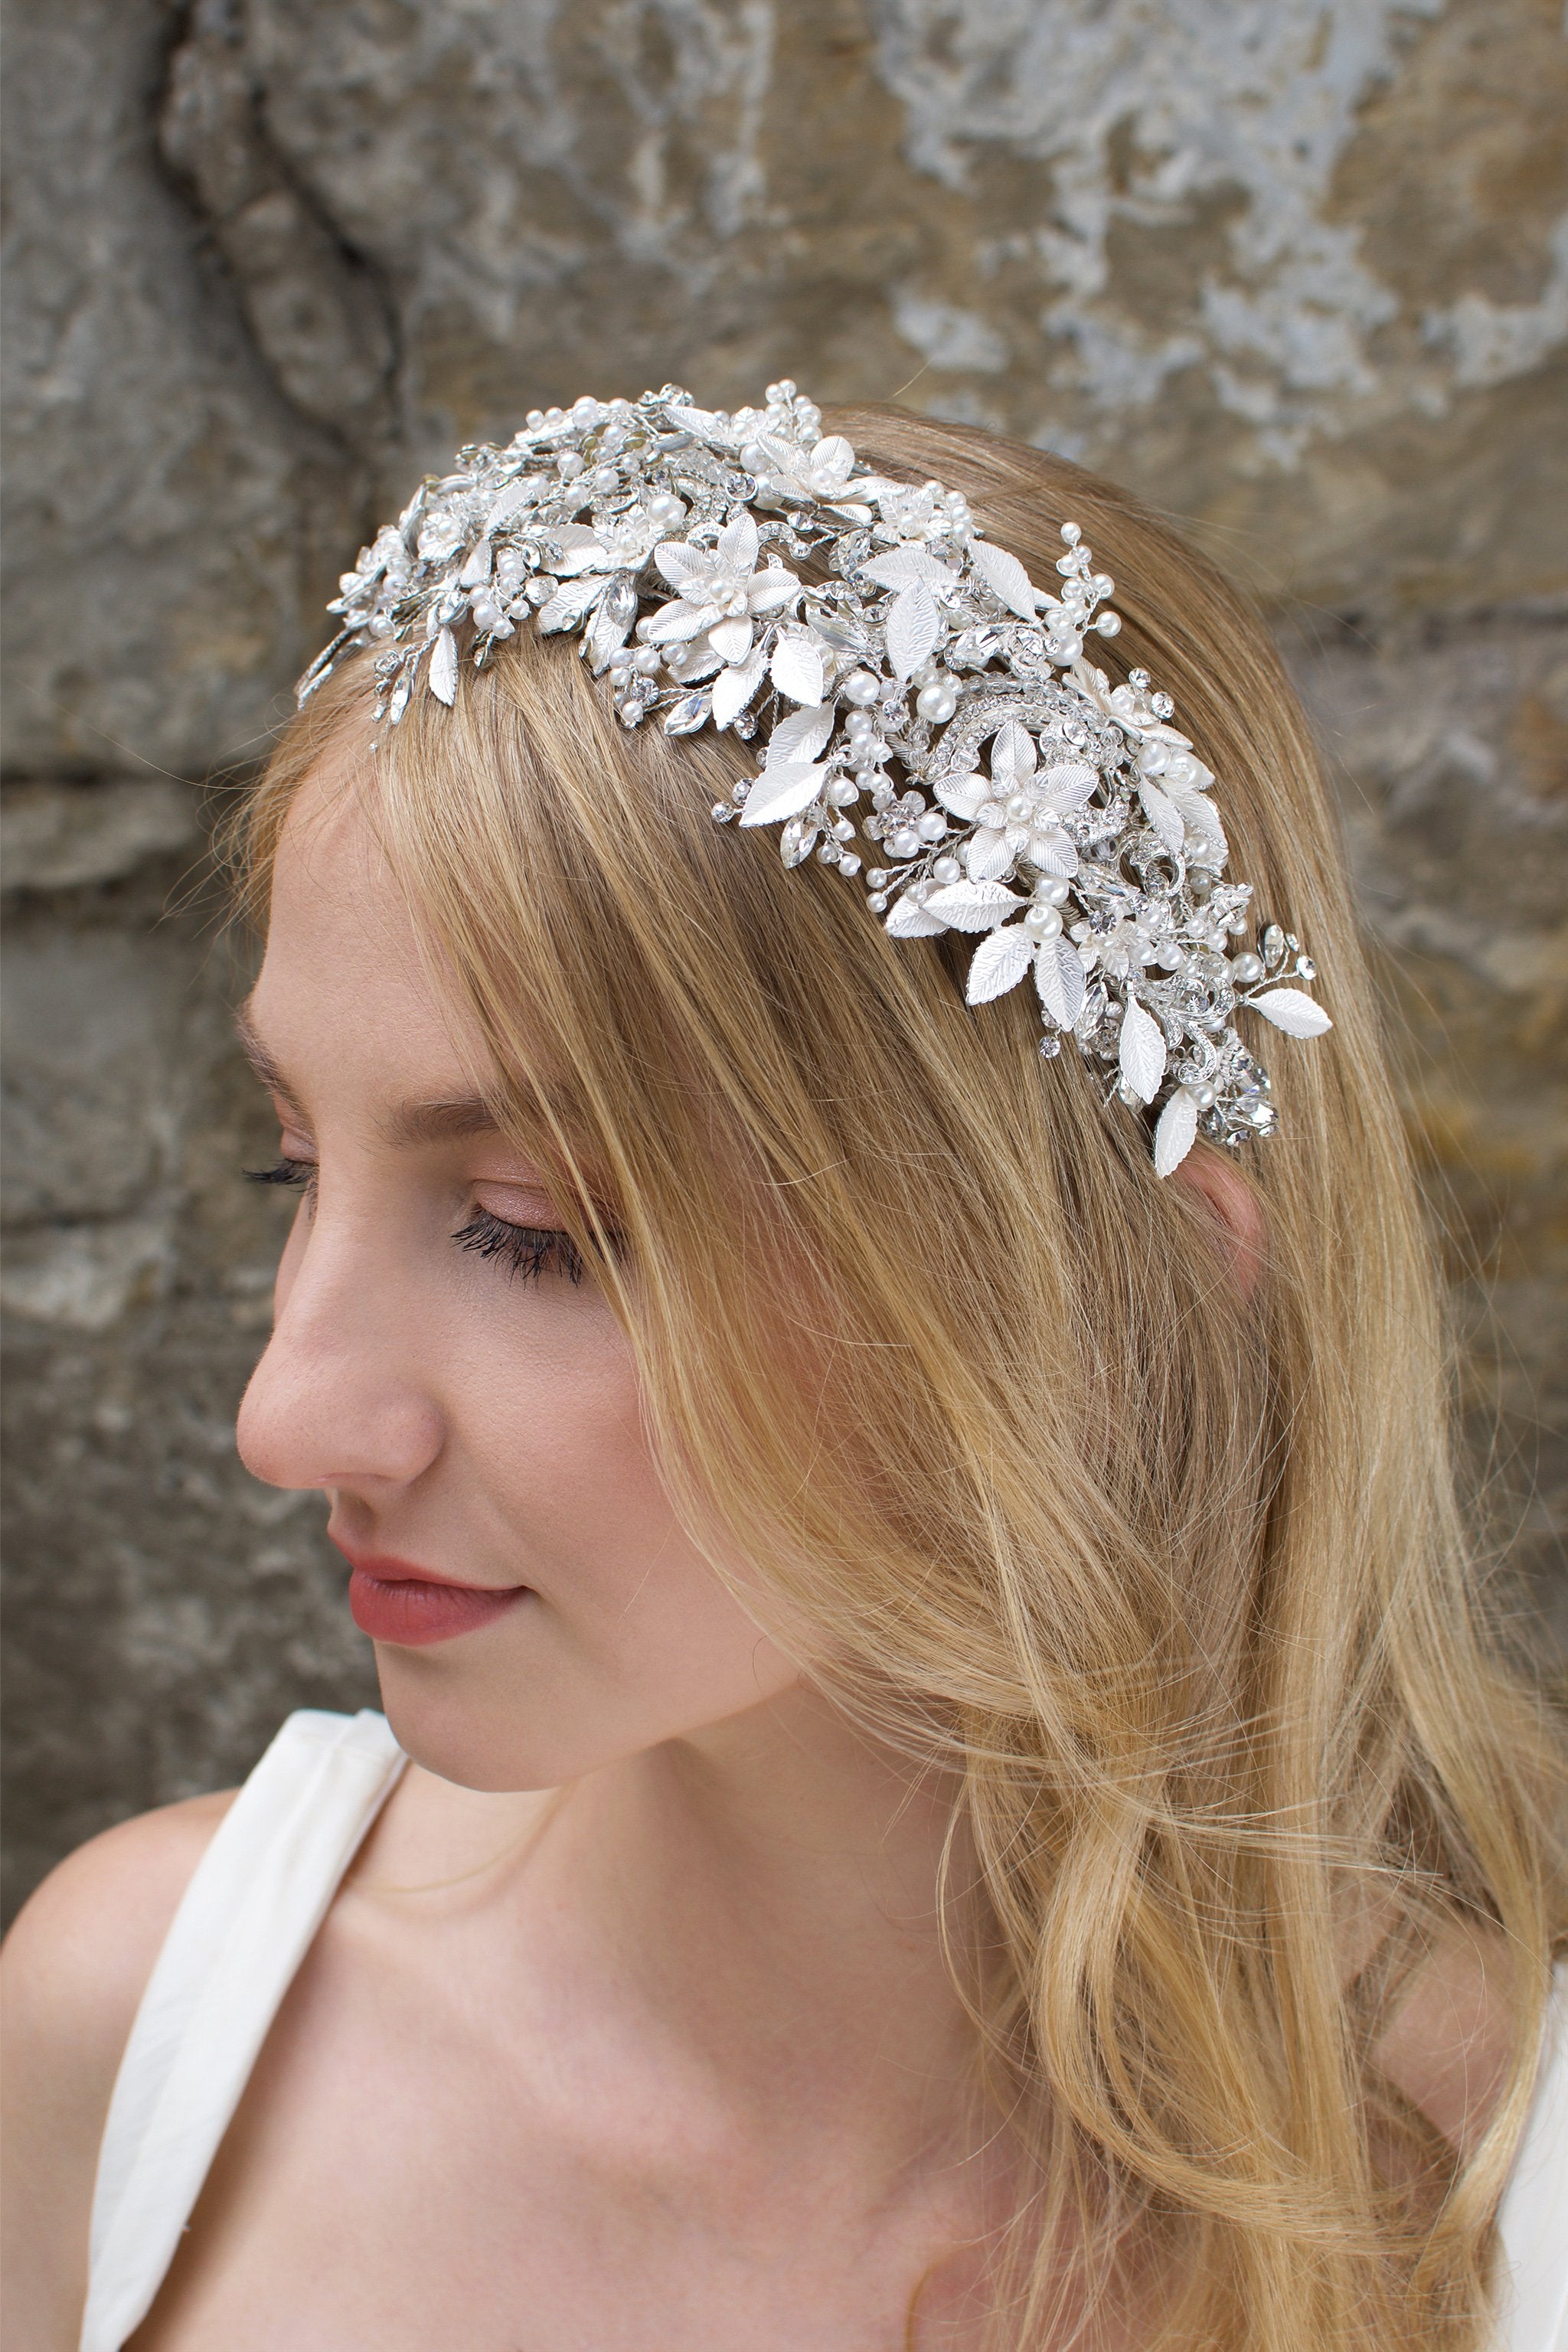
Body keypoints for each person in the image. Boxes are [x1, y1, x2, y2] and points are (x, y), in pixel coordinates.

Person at [3, 385, 1565, 2352]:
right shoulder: (142, 2042)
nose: (286, 1418)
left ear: (1107, 1308)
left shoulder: (1495, 2220)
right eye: (290, 1166)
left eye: (536, 1228)